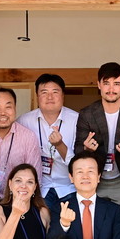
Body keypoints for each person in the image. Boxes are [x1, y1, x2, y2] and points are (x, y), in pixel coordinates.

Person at [74, 62, 120, 212]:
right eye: (106, 83)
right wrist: (86, 149)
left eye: (116, 84)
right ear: (99, 85)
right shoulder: (87, 114)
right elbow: (77, 150)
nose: (111, 89)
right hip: (95, 179)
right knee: (93, 221)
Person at [17, 74, 78, 211]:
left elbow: (79, 161)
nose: (50, 97)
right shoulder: (24, 121)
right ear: (37, 96)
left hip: (69, 187)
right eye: (44, 92)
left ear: (63, 95)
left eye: (55, 92)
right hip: (39, 188)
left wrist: (60, 145)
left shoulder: (77, 120)